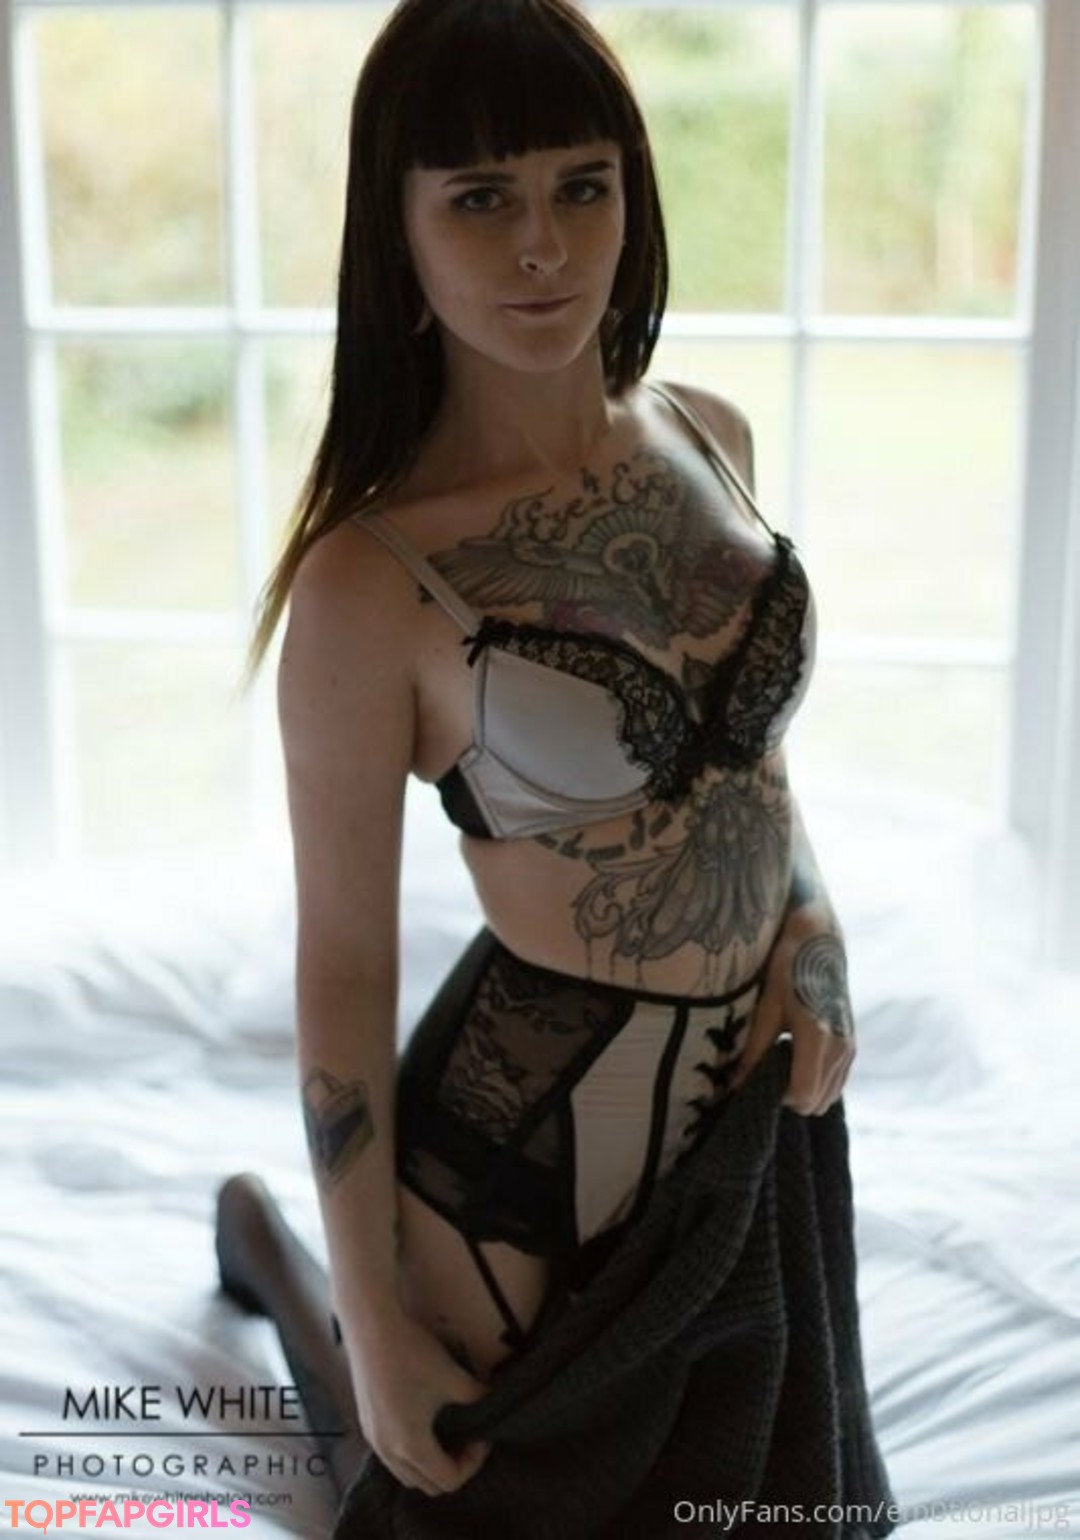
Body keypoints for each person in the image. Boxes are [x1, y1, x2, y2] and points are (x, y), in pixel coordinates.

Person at [215, 0, 865, 1525]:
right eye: (479, 199)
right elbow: (345, 965)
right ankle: (284, 1266)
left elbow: (754, 767)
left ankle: (280, 1265)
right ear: (397, 230)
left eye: (583, 185)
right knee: (413, 1465)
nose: (543, 248)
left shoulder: (708, 434)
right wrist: (374, 1315)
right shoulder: (371, 586)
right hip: (527, 1159)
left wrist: (815, 924)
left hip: (750, 1121)